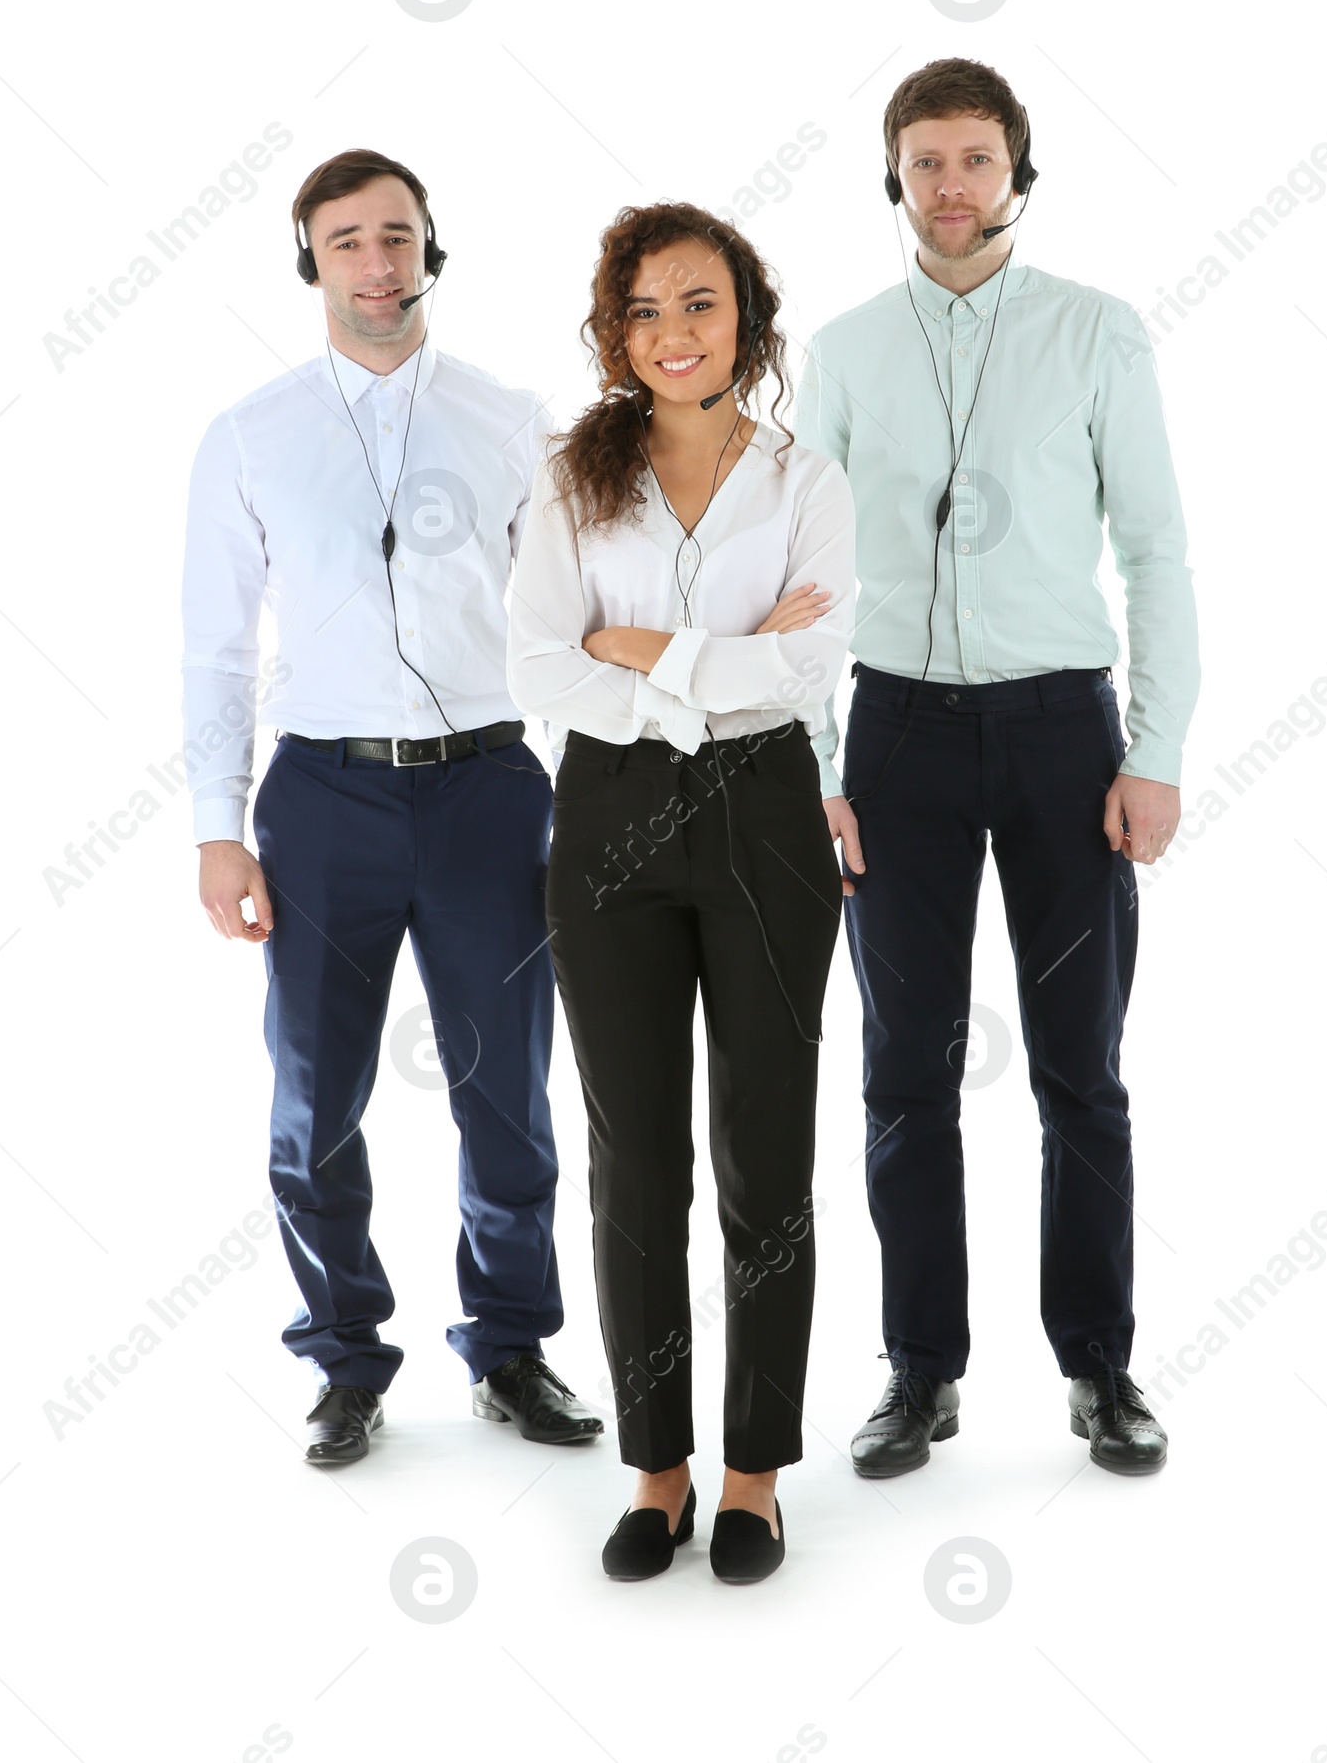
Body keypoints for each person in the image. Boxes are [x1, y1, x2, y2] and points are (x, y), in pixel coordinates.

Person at [798, 58, 1199, 1479]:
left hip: (1058, 733)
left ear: (1020, 171)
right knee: (903, 1069)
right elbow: (806, 579)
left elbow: (1154, 550)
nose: (951, 186)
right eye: (926, 162)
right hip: (893, 733)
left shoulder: (1099, 335)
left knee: (1079, 1068)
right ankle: (920, 1369)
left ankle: (1100, 1365)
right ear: (894, 179)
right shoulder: (843, 349)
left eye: (976, 159)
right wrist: (816, 762)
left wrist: (1152, 752)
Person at [180, 147, 602, 1466]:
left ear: (433, 249)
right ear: (312, 259)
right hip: (324, 796)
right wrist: (217, 824)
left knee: (510, 1089)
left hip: (486, 786)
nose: (378, 261)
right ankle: (347, 1353)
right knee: (314, 1098)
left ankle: (513, 1343)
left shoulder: (512, 417)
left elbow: (575, 617)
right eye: (349, 239)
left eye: (399, 236)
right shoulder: (250, 433)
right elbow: (215, 644)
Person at [507, 204, 855, 1581]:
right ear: (615, 331)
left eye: (699, 304)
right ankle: (657, 1466)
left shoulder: (806, 478)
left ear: (746, 320)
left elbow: (815, 664)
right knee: (634, 1154)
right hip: (611, 824)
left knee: (767, 1156)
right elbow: (540, 668)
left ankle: (755, 1471)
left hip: (770, 812)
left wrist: (644, 649)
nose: (673, 333)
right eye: (646, 310)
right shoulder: (571, 478)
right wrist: (714, 661)